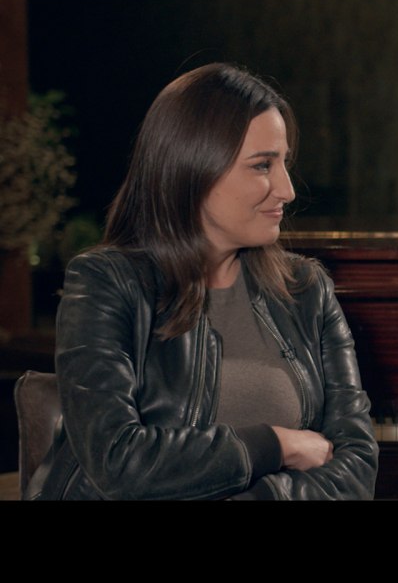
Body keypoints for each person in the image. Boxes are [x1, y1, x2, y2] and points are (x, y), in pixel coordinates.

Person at [26, 63, 379, 500]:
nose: (287, 189)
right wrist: (275, 444)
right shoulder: (105, 283)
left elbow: (356, 465)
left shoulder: (307, 290)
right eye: (262, 165)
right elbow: (118, 462)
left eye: (284, 163)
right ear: (193, 170)